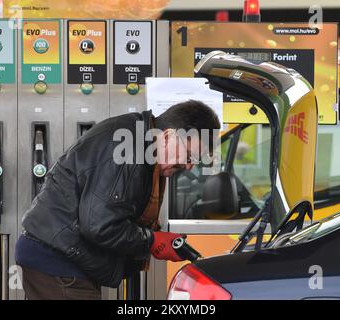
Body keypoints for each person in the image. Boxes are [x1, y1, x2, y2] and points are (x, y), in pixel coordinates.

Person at [15, 100, 220, 300]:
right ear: (168, 137)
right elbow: (100, 225)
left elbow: (115, 211)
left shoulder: (139, 140)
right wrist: (151, 240)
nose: (189, 167)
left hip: (61, 257)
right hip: (58, 263)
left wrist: (155, 238)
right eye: (190, 156)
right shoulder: (128, 151)